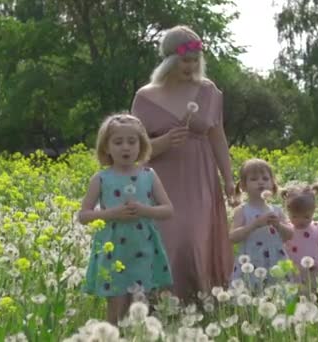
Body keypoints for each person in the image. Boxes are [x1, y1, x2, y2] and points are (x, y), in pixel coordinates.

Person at [131, 25, 234, 299]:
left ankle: (199, 300)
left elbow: (217, 137)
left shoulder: (209, 91)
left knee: (192, 237)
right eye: (184, 60)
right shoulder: (145, 97)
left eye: (195, 60)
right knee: (167, 239)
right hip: (160, 179)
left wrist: (229, 179)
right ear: (169, 61)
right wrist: (162, 143)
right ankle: (159, 301)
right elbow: (131, 148)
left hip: (200, 177)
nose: (191, 66)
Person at [78, 113, 174, 324]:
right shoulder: (101, 178)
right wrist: (111, 214)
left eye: (132, 142)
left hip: (143, 246)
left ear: (142, 146)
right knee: (116, 302)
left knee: (141, 304)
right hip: (113, 249)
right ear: (106, 147)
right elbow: (83, 216)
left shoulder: (149, 175)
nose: (126, 147)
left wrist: (143, 209)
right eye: (118, 142)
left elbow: (168, 210)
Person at [229, 158, 294, 291]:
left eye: (265, 178)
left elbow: (290, 234)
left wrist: (279, 226)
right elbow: (233, 237)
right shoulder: (242, 211)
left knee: (279, 291)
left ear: (272, 184)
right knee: (251, 292)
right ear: (243, 186)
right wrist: (254, 224)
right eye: (254, 179)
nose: (260, 182)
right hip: (251, 260)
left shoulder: (277, 210)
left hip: (276, 258)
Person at [281, 183, 318, 288]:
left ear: (313, 211)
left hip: (316, 271)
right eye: (295, 216)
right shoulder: (286, 230)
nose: (300, 221)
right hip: (295, 271)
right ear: (287, 212)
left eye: (306, 217)